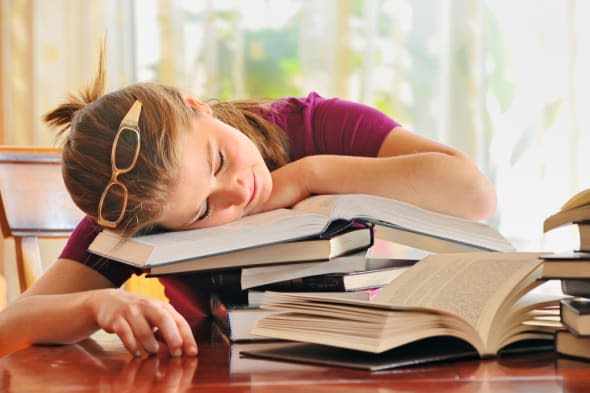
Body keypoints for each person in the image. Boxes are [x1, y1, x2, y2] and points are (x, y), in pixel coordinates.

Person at [0, 52, 497, 358]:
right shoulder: (137, 206)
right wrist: (95, 304)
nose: (238, 191)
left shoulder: (317, 126)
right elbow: (9, 328)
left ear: (195, 104)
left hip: (389, 360)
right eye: (202, 212)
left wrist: (310, 175)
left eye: (218, 160)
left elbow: (473, 195)